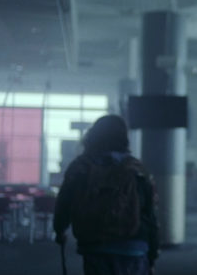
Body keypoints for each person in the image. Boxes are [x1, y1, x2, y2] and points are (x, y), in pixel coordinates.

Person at [53, 115, 159, 275]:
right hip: (134, 246)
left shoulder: (80, 167)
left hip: (95, 245)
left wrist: (59, 230)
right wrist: (152, 255)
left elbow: (64, 203)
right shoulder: (137, 169)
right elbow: (150, 215)